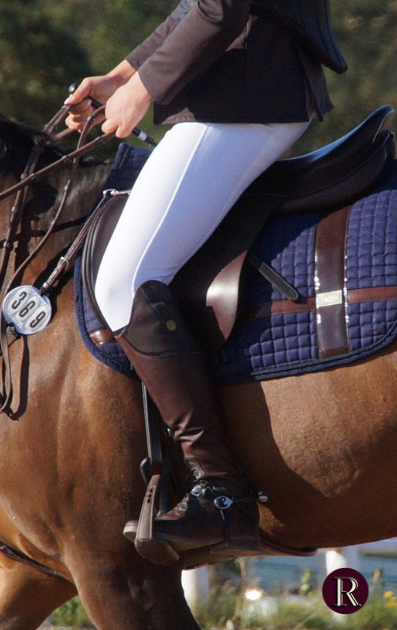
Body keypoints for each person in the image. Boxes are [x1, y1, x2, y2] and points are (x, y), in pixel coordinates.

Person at [64, 0, 345, 560]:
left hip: (243, 98)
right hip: (242, 91)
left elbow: (220, 8)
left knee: (123, 281)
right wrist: (123, 75)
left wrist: (143, 90)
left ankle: (221, 491)